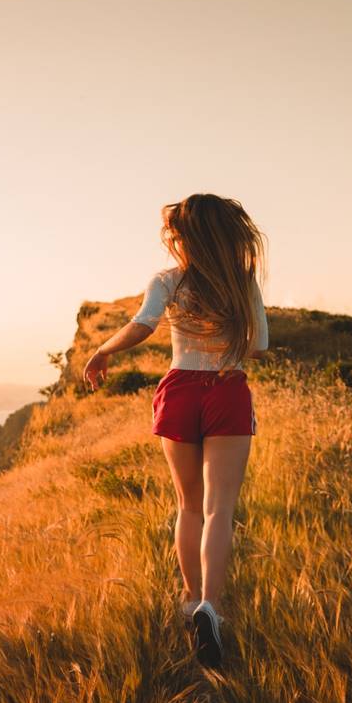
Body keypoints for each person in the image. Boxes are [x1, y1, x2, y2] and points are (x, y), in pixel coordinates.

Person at [82, 193, 269, 668]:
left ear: (182, 237)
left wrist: (102, 351)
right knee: (219, 509)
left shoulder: (167, 281)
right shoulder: (241, 282)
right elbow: (260, 345)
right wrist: (226, 355)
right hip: (228, 388)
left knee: (188, 506)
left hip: (180, 388)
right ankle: (212, 605)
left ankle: (189, 601)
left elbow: (142, 326)